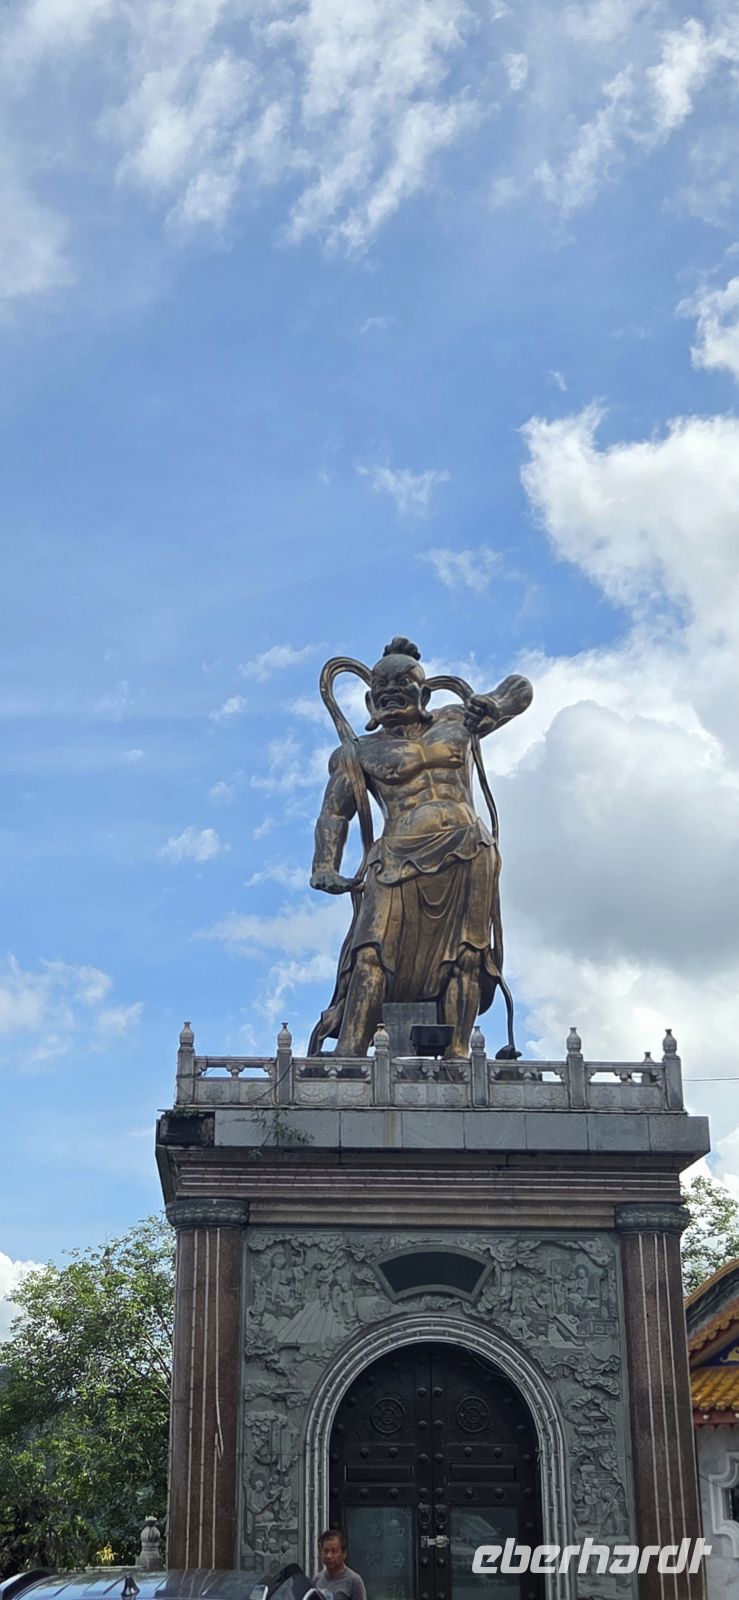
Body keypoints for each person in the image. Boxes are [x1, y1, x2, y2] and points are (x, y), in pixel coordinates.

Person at [308, 636, 533, 1057]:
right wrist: (324, 864)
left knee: (467, 956)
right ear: (370, 699)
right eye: (381, 686)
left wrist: (495, 706)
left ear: (425, 692)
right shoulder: (357, 753)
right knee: (369, 951)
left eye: (403, 682)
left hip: (467, 849)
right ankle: (350, 1054)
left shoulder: (457, 721)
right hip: (395, 857)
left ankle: (459, 1052)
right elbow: (335, 813)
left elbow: (519, 689)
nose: (391, 691)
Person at [313, 1528, 367, 1600]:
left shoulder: (354, 1581)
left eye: (334, 1551)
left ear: (344, 1554)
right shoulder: (317, 1579)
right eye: (326, 1551)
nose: (329, 1556)